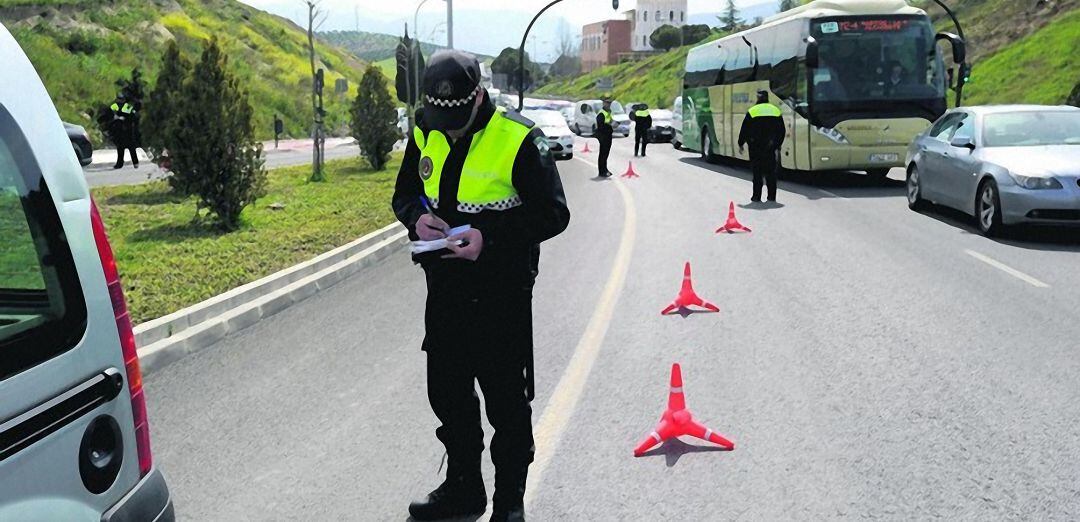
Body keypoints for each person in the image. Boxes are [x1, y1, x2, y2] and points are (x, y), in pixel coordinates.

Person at [392, 50, 570, 522]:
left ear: (478, 98)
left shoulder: (518, 137)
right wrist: (417, 220)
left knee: (507, 406)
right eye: (438, 118)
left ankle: (509, 505)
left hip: (502, 294)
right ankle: (463, 490)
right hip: (445, 291)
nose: (447, 129)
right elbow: (405, 192)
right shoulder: (427, 127)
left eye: (457, 118)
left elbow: (554, 213)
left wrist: (488, 237)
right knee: (448, 396)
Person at [738, 90, 785, 202]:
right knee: (770, 173)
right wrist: (777, 144)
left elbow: (744, 129)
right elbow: (781, 131)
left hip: (755, 147)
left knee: (757, 173)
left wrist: (741, 143)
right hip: (770, 147)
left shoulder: (752, 111)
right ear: (767, 98)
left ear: (758, 98)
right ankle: (772, 197)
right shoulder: (775, 111)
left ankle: (756, 196)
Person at [110, 95, 138, 169]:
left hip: (128, 131)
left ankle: (135, 163)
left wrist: (124, 118)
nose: (119, 101)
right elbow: (110, 114)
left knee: (131, 148)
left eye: (120, 100)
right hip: (119, 131)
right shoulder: (114, 106)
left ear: (123, 100)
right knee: (120, 149)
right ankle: (119, 164)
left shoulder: (128, 107)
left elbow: (133, 117)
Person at [594, 97, 614, 177]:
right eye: (607, 103)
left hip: (608, 135)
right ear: (604, 103)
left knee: (605, 154)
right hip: (604, 136)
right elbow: (601, 125)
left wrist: (613, 124)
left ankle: (605, 169)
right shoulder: (602, 113)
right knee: (603, 154)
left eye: (610, 103)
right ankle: (602, 171)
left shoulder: (608, 112)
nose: (609, 105)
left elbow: (609, 121)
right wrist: (609, 126)